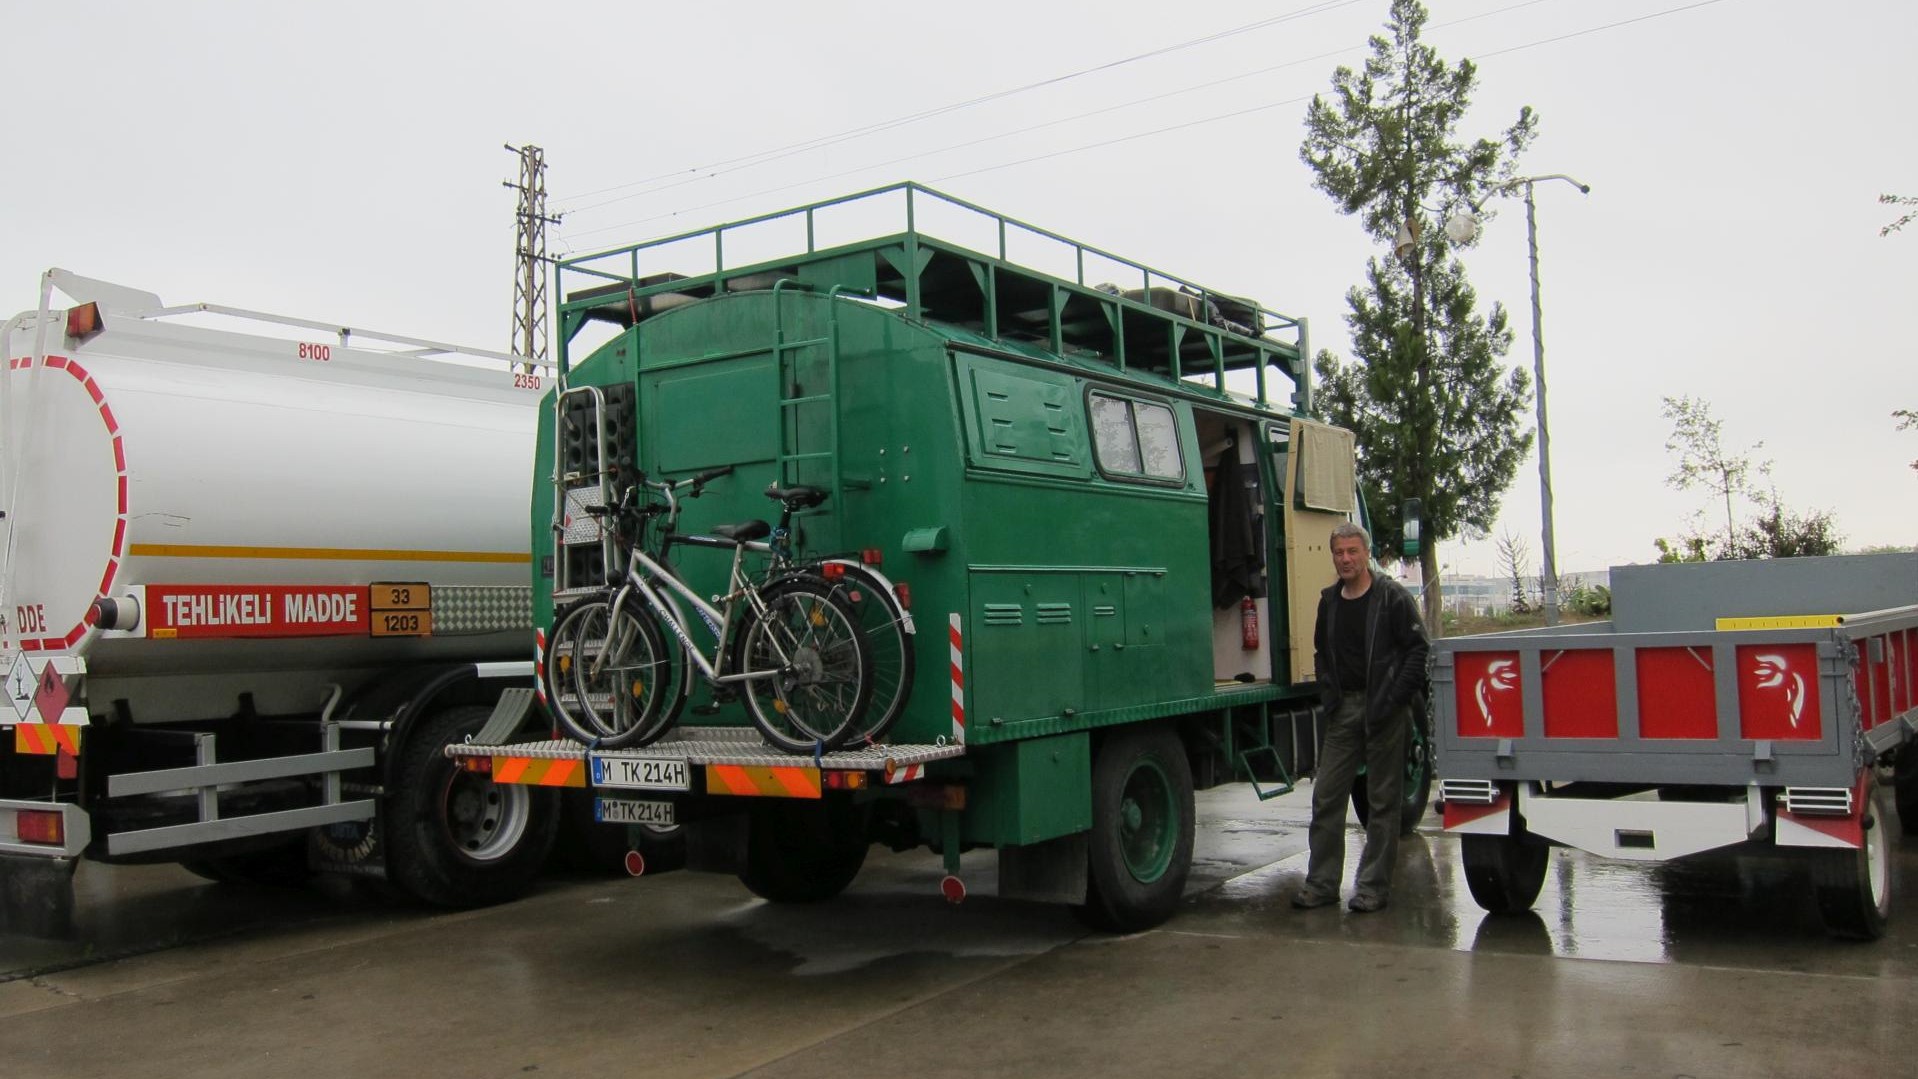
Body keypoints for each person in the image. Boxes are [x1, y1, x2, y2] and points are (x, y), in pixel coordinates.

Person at [1292, 520, 1429, 914]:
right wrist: (1329, 693)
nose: (1346, 559)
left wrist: (1393, 698)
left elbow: (1418, 650)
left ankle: (1372, 887)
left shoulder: (1392, 598)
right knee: (1327, 796)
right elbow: (1322, 652)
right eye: (1339, 552)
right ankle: (1321, 884)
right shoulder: (1330, 601)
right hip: (1344, 709)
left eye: (1353, 551)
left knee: (1383, 802)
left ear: (1367, 554)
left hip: (1384, 708)